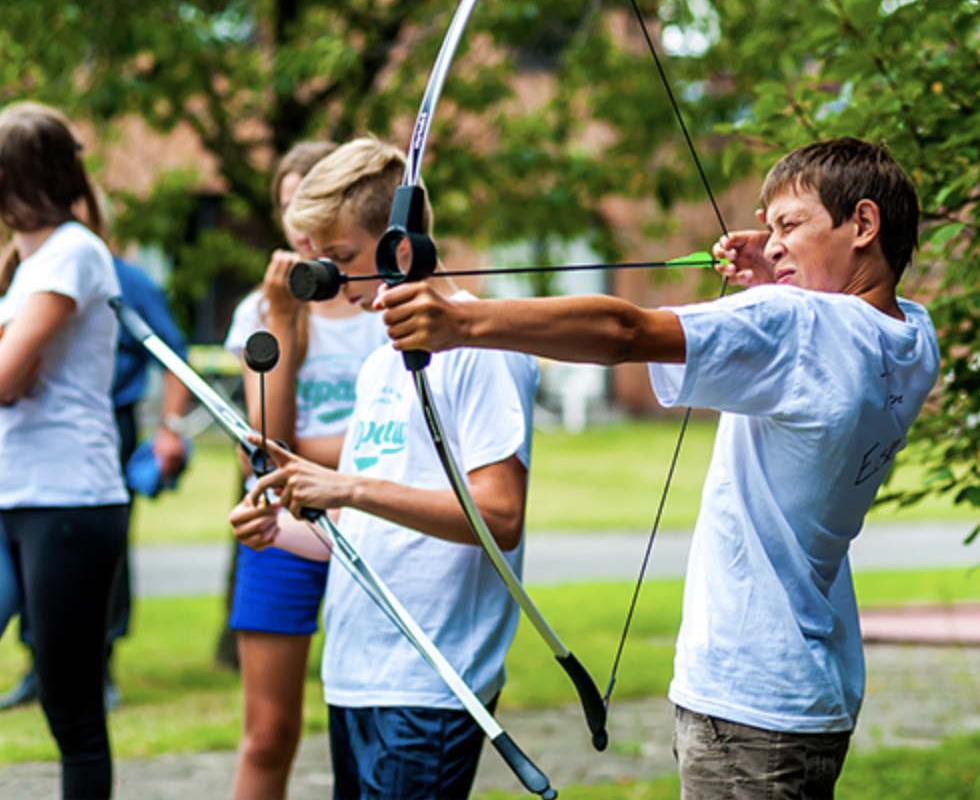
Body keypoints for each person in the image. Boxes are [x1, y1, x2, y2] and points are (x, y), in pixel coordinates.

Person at [377, 137, 940, 800]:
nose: (774, 240)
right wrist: (781, 267)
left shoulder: (799, 324)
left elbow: (626, 331)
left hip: (747, 703)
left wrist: (462, 323)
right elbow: (825, 359)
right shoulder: (912, 336)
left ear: (864, 225)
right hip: (814, 692)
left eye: (789, 224)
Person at [229, 136, 538, 800]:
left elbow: (500, 517)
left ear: (401, 247)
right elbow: (359, 526)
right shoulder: (380, 363)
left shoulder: (482, 348)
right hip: (358, 676)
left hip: (428, 685)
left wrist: (347, 485)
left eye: (341, 259)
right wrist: (277, 530)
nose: (331, 281)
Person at [225, 141, 387, 800]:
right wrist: (284, 319)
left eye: (313, 207)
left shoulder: (384, 301)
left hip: (372, 523)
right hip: (282, 531)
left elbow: (398, 443)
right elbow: (262, 445)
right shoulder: (259, 312)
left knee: (372, 725)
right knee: (267, 734)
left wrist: (309, 450)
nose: (303, 228)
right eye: (291, 207)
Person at [0, 221, 192, 712]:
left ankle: (98, 664)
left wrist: (170, 426)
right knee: (28, 562)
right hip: (26, 438)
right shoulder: (22, 271)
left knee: (100, 554)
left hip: (105, 423)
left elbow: (170, 352)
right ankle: (37, 665)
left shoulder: (124, 277)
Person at [0, 102, 129, 799]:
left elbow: (7, 379)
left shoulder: (74, 251)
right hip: (13, 494)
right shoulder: (21, 265)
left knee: (69, 709)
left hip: (68, 500)